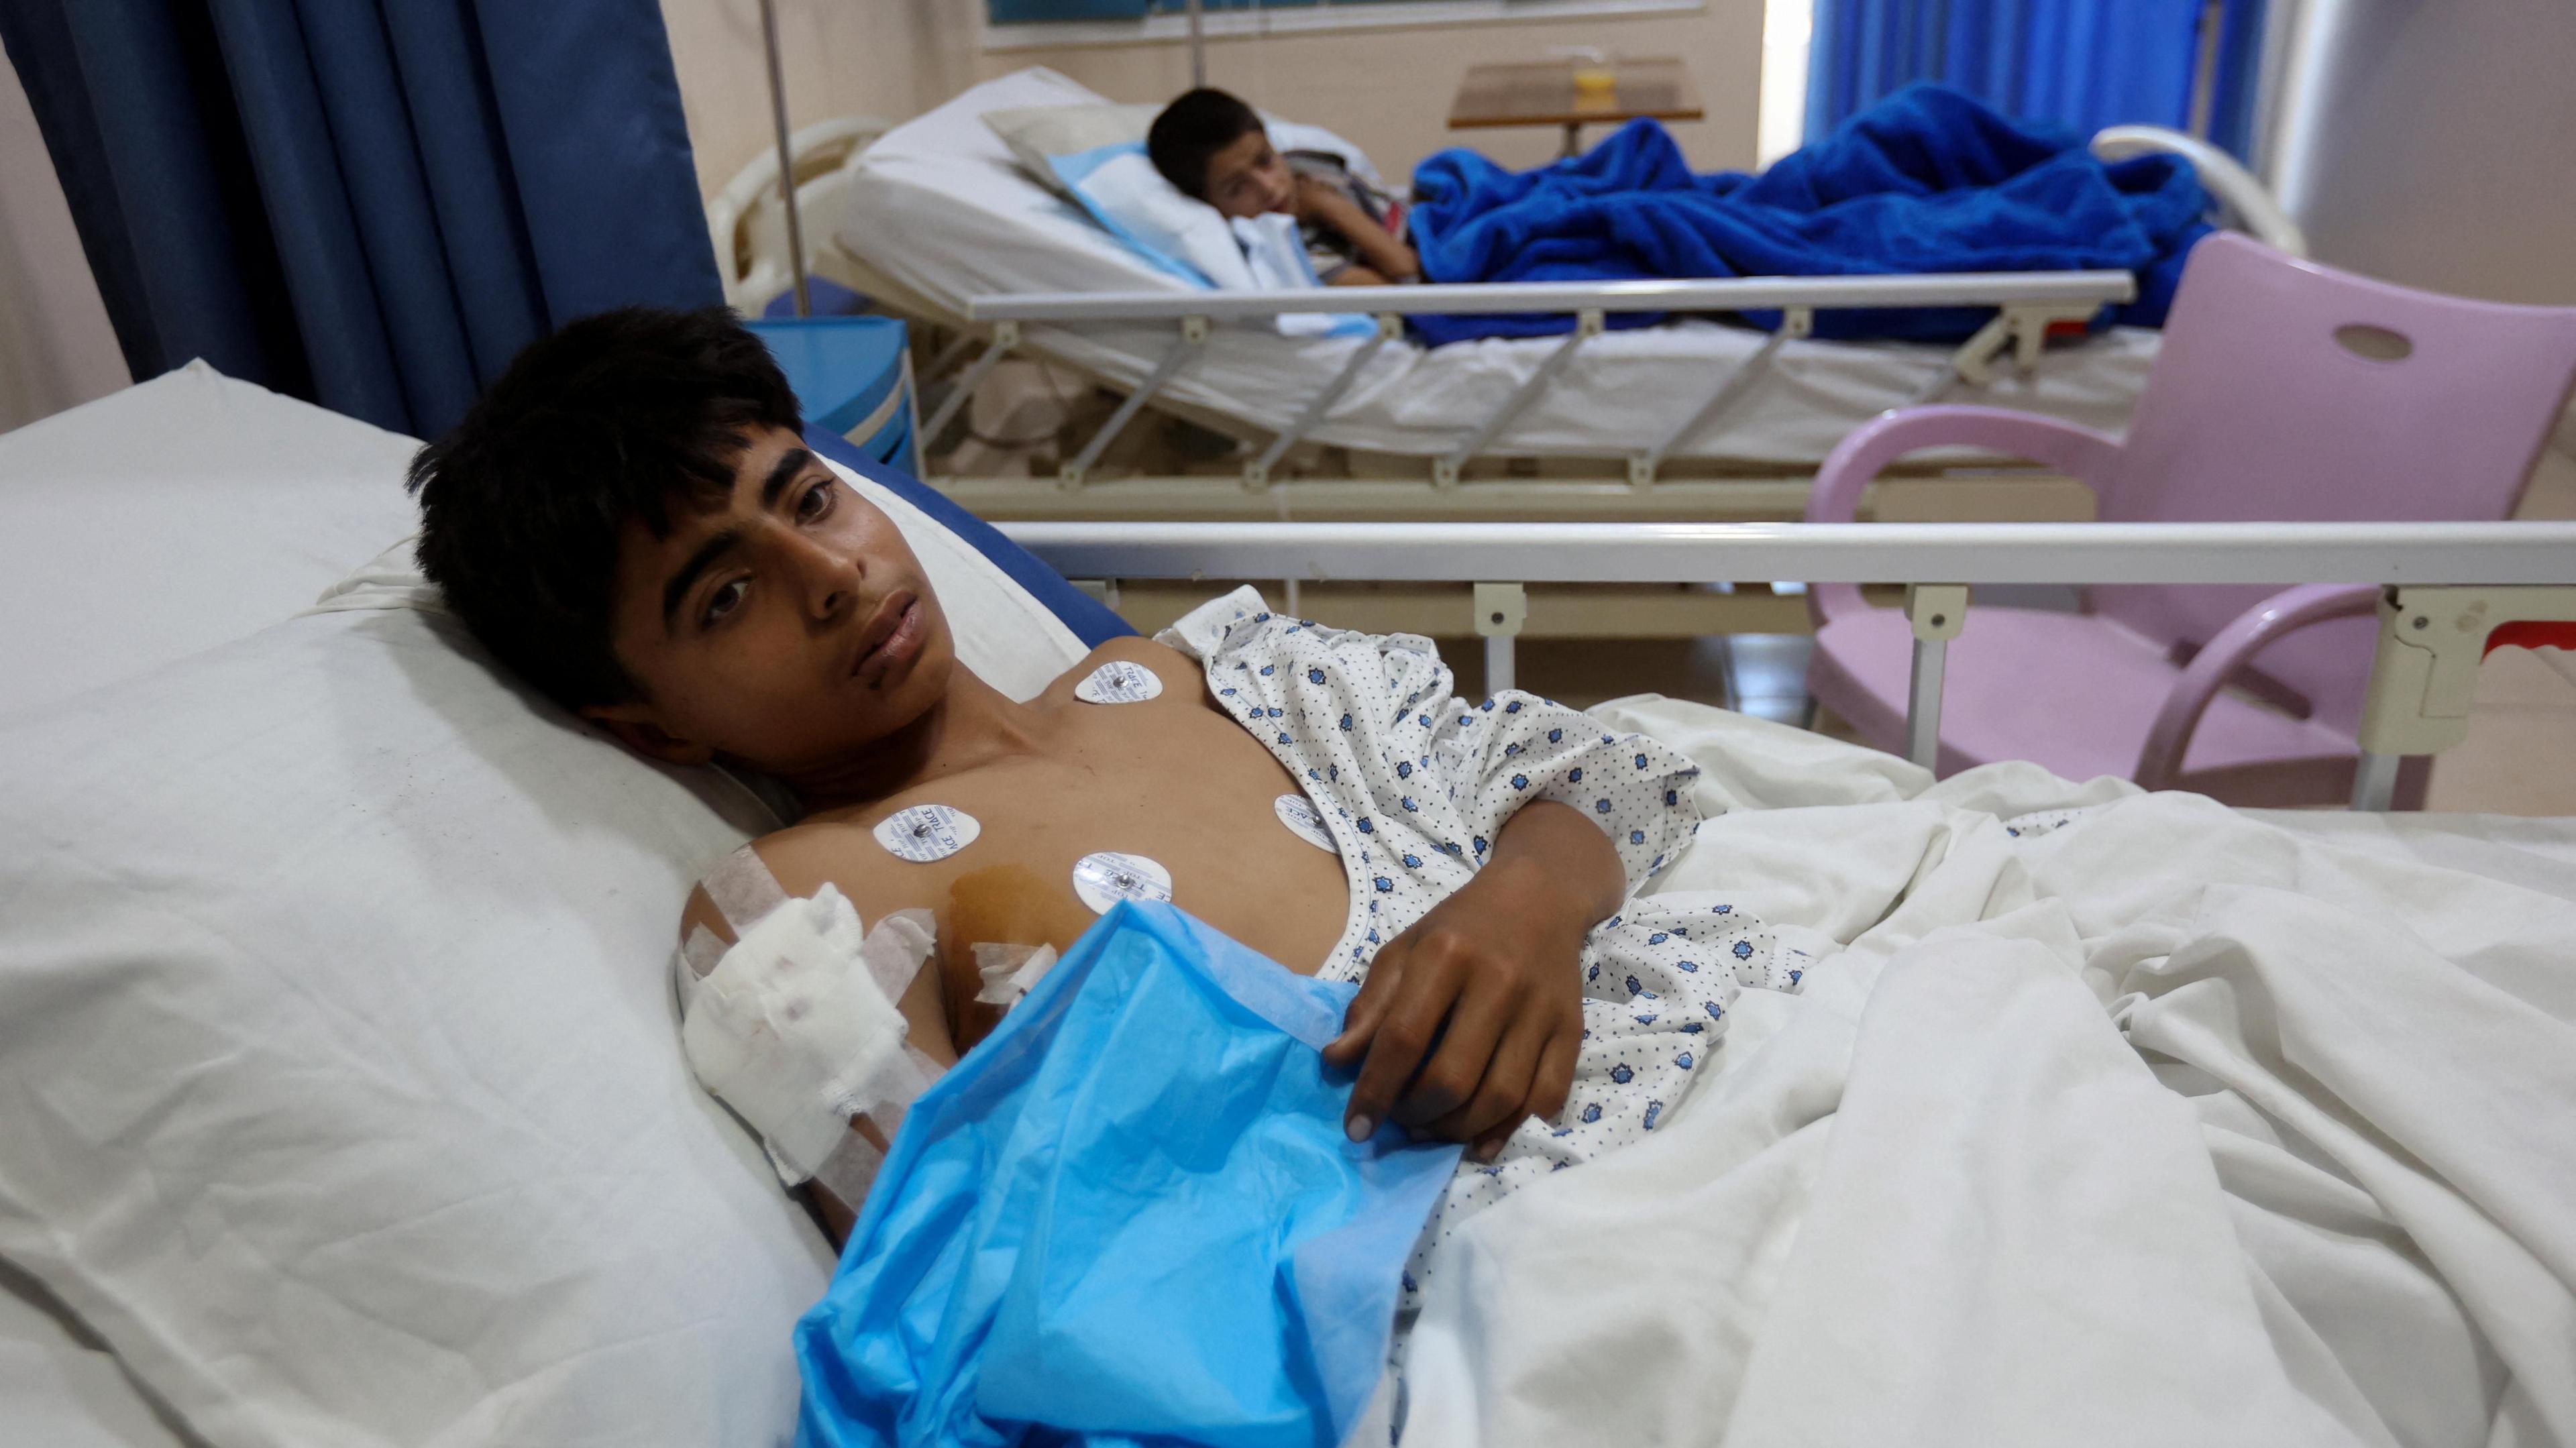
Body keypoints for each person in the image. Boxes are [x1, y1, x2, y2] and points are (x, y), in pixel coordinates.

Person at [408, 306, 1802, 1291]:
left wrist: (1526, 900)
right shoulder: (814, 912)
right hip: (1562, 1268)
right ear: (635, 723)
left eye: (810, 496)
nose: (824, 572)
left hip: (1771, 1058)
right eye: (725, 593)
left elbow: (1576, 769)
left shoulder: (1193, 667)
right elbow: (979, 1287)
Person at [1146, 86, 1420, 286]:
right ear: (1209, 204)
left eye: (1265, 161)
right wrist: (1330, 207)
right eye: (1238, 188)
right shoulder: (1286, 254)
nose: (1268, 186)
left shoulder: (1303, 165)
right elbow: (1410, 277)